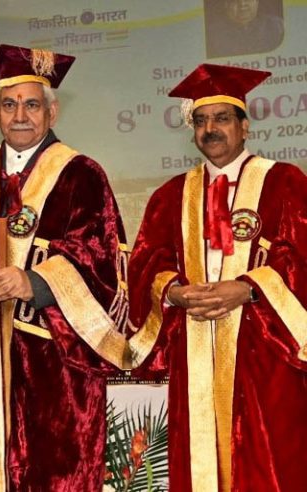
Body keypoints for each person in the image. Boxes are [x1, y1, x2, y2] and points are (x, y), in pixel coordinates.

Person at [0, 44, 129, 491]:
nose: (20, 115)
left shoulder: (82, 175)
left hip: (55, 364)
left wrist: (34, 280)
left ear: (52, 112)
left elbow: (101, 255)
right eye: (9, 104)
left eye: (32, 104)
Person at [127, 63, 307, 491]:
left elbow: (301, 254)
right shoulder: (170, 195)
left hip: (266, 352)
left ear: (245, 127)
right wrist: (175, 292)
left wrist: (248, 288)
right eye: (201, 120)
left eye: (222, 118)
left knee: (273, 462)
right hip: (196, 350)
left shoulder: (285, 183)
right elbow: (146, 262)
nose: (211, 129)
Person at [205, 0, 284, 58]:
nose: (242, 4)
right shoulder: (210, 35)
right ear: (226, 4)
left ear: (257, 2)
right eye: (235, 1)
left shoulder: (278, 27)